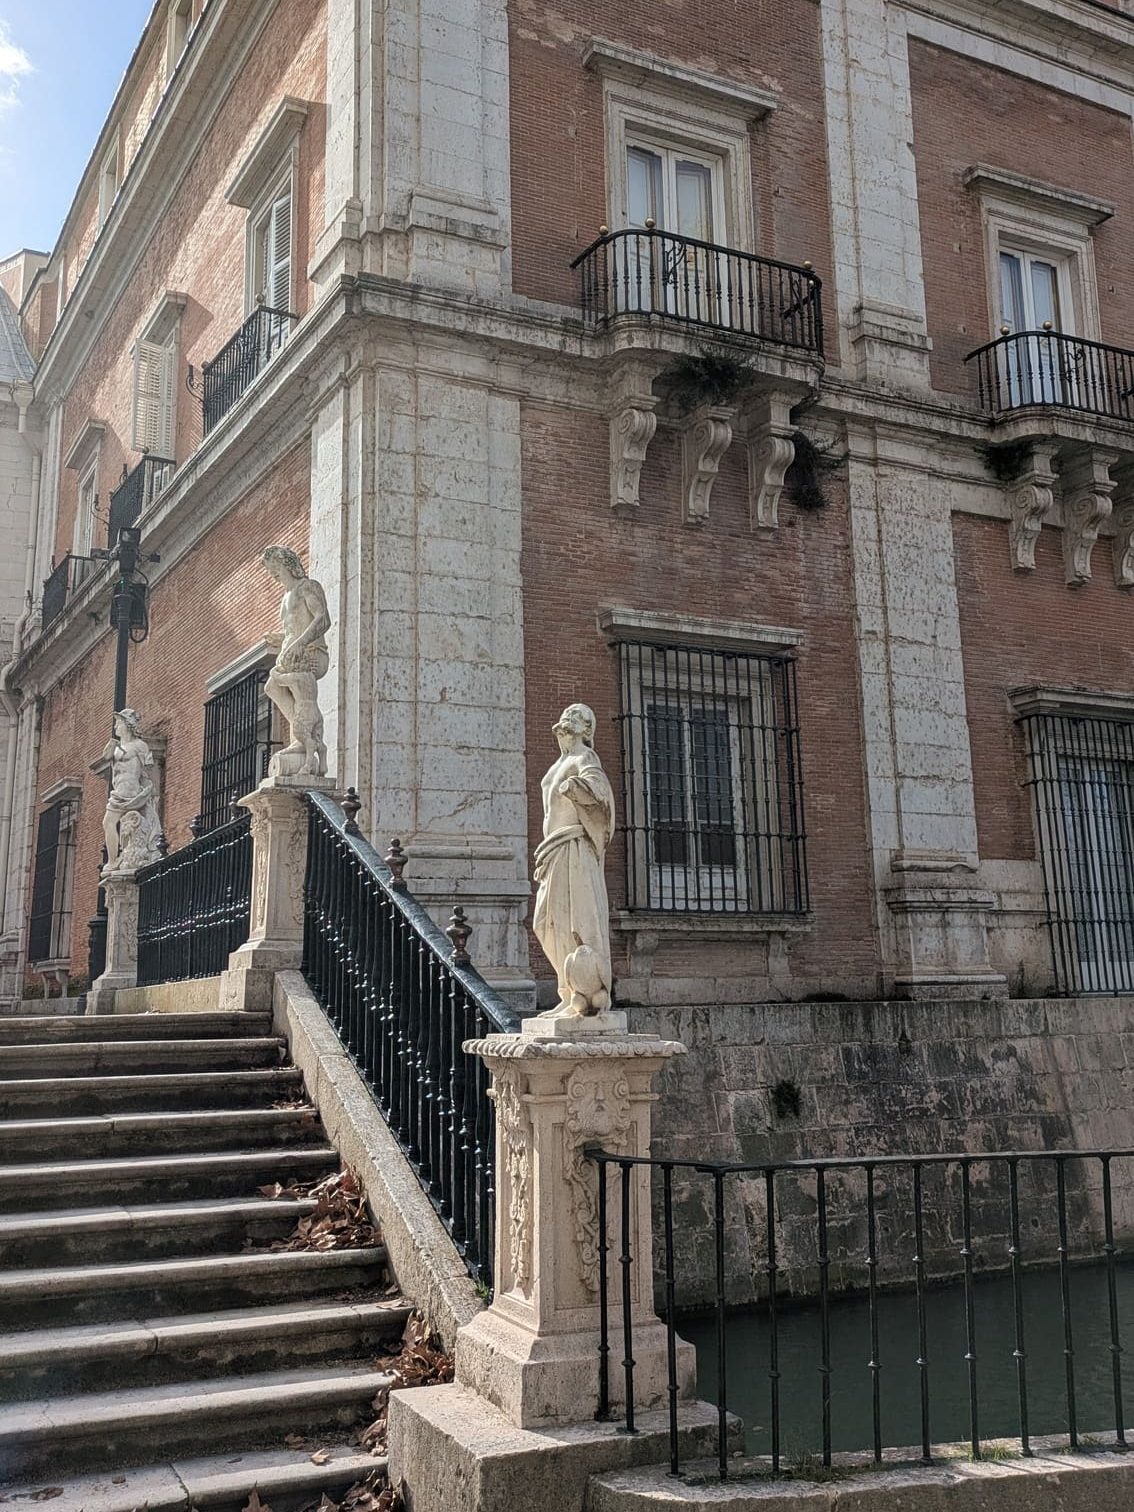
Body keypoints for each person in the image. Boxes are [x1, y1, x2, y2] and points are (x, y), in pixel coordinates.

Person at [532, 703, 616, 1018]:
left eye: (577, 716)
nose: (568, 718)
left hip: (574, 846)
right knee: (545, 923)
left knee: (576, 922)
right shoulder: (558, 763)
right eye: (567, 714)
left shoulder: (585, 757)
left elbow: (600, 792)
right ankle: (568, 993)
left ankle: (585, 994)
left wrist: (576, 788)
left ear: (586, 729)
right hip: (553, 850)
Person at [261, 546, 331, 778]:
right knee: (271, 687)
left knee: (284, 685)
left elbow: (323, 620)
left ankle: (303, 741)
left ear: (288, 565)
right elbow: (295, 628)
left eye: (276, 568)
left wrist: (300, 643)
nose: (274, 574)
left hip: (312, 653)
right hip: (294, 653)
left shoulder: (307, 587)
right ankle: (303, 736)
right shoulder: (285, 597)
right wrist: (281, 638)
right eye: (271, 570)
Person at [102, 708, 161, 873]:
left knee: (113, 822)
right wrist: (111, 746)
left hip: (131, 791)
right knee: (109, 823)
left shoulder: (139, 746)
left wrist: (149, 791)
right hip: (118, 793)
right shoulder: (116, 748)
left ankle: (118, 860)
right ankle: (114, 860)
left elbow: (148, 769)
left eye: (119, 723)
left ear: (128, 725)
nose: (116, 727)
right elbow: (106, 757)